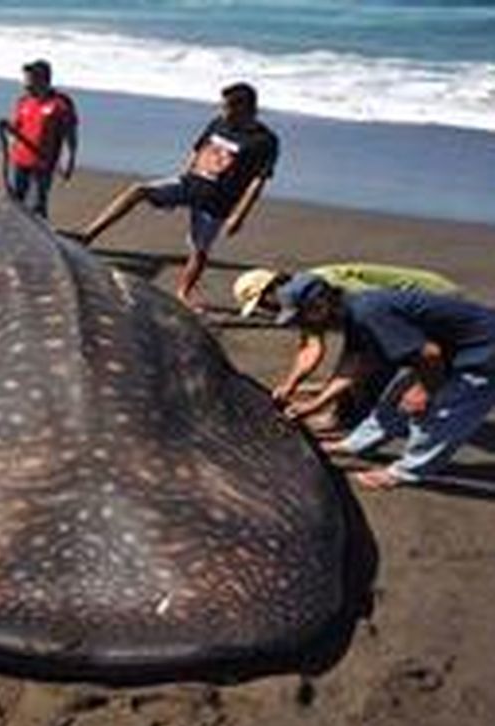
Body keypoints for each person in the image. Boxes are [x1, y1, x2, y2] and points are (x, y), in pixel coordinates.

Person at [276, 273, 495, 489]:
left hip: (484, 354)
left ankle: (405, 471)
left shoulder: (369, 314)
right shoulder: (354, 314)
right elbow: (353, 366)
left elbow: (429, 355)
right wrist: (314, 405)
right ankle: (356, 444)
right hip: (451, 351)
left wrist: (423, 390)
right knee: (396, 398)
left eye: (301, 317)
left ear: (320, 304)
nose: (301, 324)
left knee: (440, 415)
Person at [81, 82, 279, 310]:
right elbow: (198, 150)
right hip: (190, 183)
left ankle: (183, 292)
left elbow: (258, 180)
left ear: (246, 108)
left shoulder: (264, 141)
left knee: (199, 250)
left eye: (227, 108)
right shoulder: (218, 122)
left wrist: (239, 215)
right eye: (222, 106)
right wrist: (183, 180)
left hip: (216, 201)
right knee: (138, 190)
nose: (222, 112)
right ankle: (88, 235)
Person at [234, 263, 461, 430]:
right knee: (365, 360)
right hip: (383, 314)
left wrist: (319, 401)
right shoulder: (298, 298)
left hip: (432, 296)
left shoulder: (328, 286)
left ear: (271, 289)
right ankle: (345, 417)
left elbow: (367, 335)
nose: (266, 311)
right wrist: (290, 385)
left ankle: (353, 422)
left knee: (383, 360)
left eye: (263, 303)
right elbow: (311, 347)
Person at [0, 60, 77, 219]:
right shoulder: (23, 101)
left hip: (42, 165)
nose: (26, 85)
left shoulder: (60, 104)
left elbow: (70, 137)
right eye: (25, 80)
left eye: (30, 80)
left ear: (43, 80)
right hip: (19, 161)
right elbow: (17, 127)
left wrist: (68, 162)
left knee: (37, 206)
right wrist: (7, 127)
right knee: (17, 203)